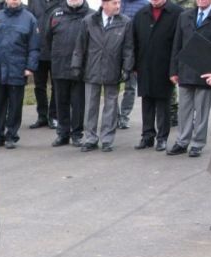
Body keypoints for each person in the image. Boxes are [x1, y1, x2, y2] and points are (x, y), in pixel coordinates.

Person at [71, 0, 134, 153]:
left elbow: (128, 48)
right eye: (114, 3)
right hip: (92, 69)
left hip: (113, 70)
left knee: (111, 106)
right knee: (91, 106)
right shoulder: (89, 21)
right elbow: (80, 46)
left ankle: (107, 139)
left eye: (119, 2)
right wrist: (76, 65)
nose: (118, 6)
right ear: (104, 4)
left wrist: (127, 68)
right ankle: (90, 139)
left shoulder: (125, 22)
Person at [0, 0, 40, 149]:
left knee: (15, 105)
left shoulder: (29, 18)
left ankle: (11, 136)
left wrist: (30, 67)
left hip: (18, 68)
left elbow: (34, 46)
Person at [132, 0, 183, 152]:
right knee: (147, 101)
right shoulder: (141, 14)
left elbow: (179, 42)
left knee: (163, 104)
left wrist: (175, 68)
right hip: (144, 64)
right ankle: (147, 136)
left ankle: (162, 138)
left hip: (165, 65)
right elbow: (134, 40)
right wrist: (134, 65)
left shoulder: (177, 13)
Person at [167, 0, 211, 158]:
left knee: (201, 111)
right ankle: (181, 141)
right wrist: (173, 70)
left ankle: (197, 144)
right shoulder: (184, 16)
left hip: (206, 72)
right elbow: (177, 44)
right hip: (185, 70)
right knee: (184, 110)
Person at [47, 0, 94, 147]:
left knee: (78, 103)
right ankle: (63, 134)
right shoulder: (55, 14)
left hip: (81, 68)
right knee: (61, 102)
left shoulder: (91, 15)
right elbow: (48, 38)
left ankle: (77, 134)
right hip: (59, 66)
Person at [28, 0, 60, 130]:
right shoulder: (34, 2)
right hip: (38, 50)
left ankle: (54, 116)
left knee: (56, 86)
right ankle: (42, 116)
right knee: (39, 86)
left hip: (56, 51)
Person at [117, 0, 148, 129]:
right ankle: (114, 116)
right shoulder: (117, 3)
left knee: (130, 87)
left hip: (133, 52)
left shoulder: (145, 5)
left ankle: (124, 116)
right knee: (112, 87)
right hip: (114, 51)